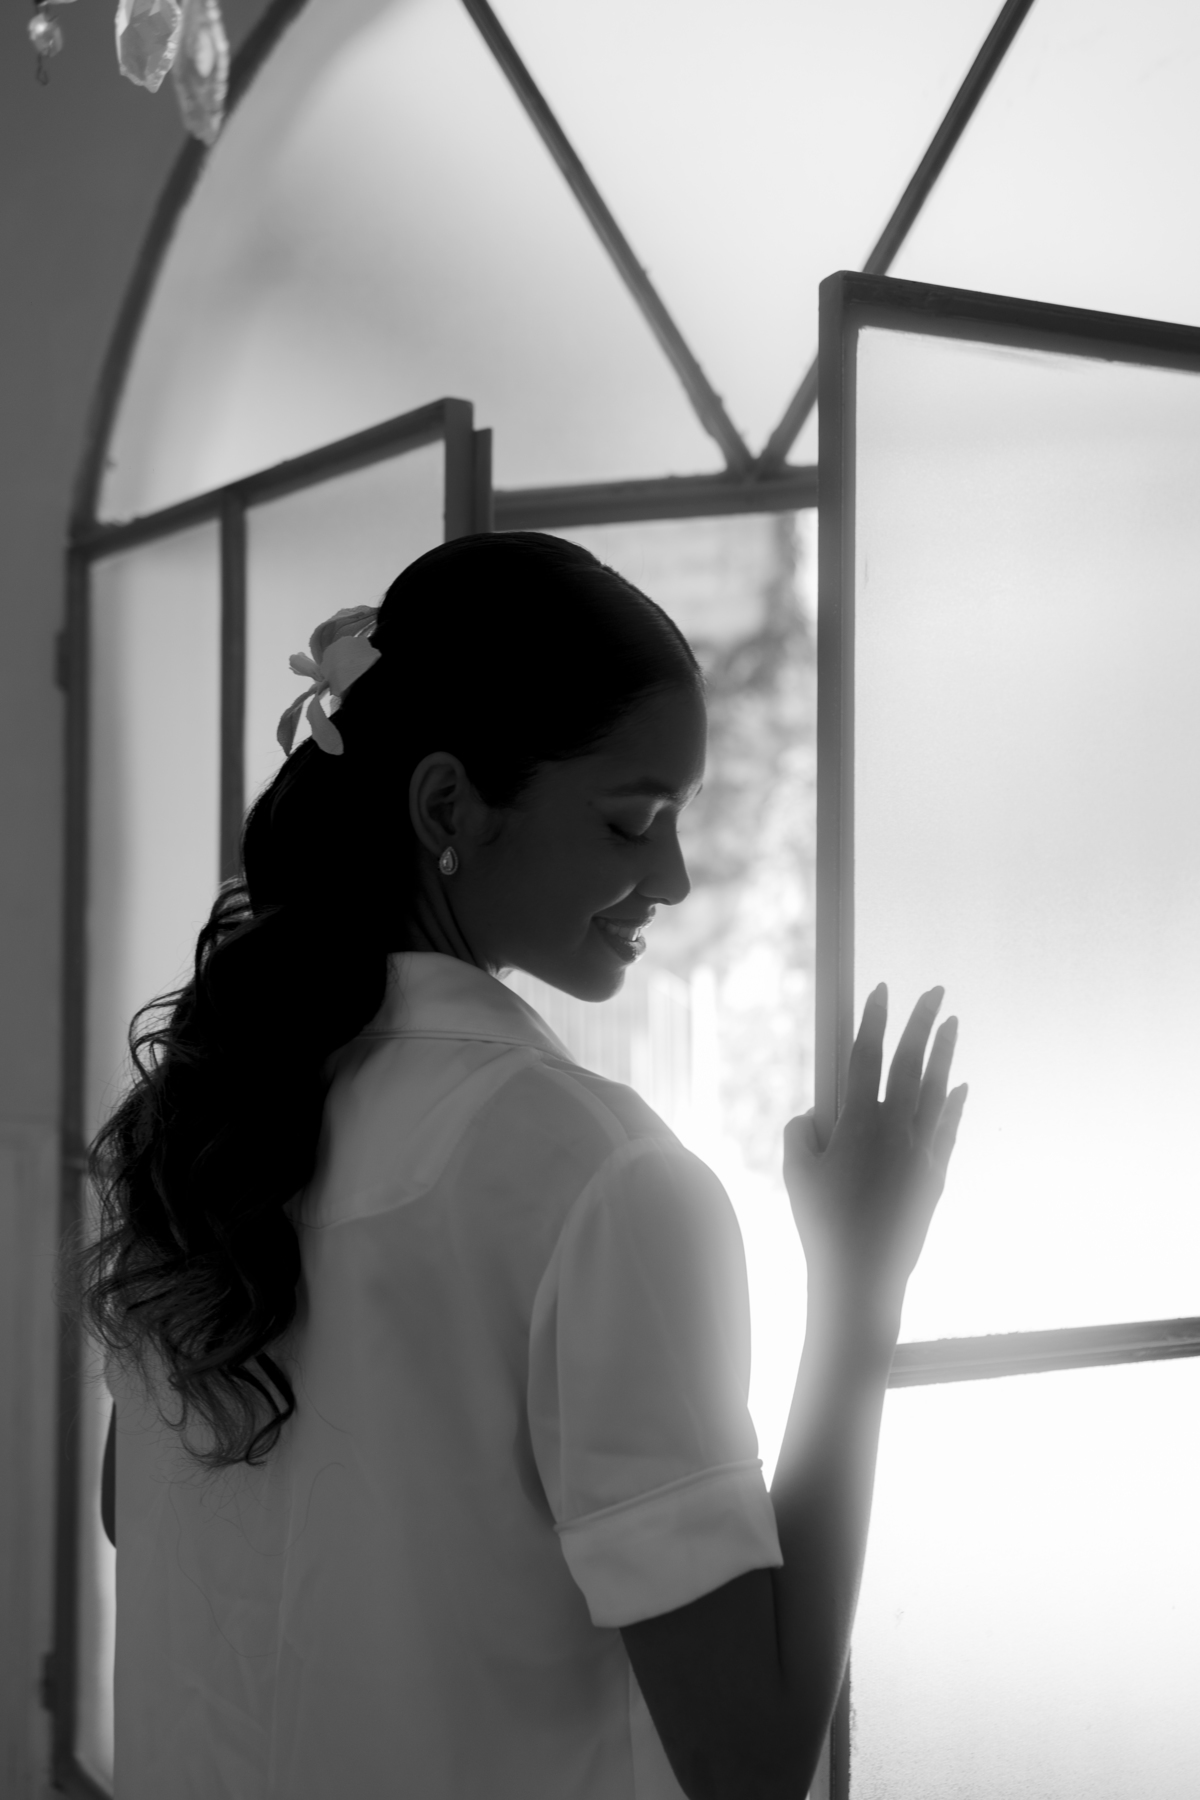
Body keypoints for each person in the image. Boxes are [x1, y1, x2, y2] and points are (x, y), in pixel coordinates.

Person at [71, 532, 966, 1800]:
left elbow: (143, 1508)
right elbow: (751, 1761)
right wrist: (863, 1288)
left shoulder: (201, 1121)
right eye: (633, 820)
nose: (674, 876)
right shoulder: (601, 1179)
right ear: (447, 807)